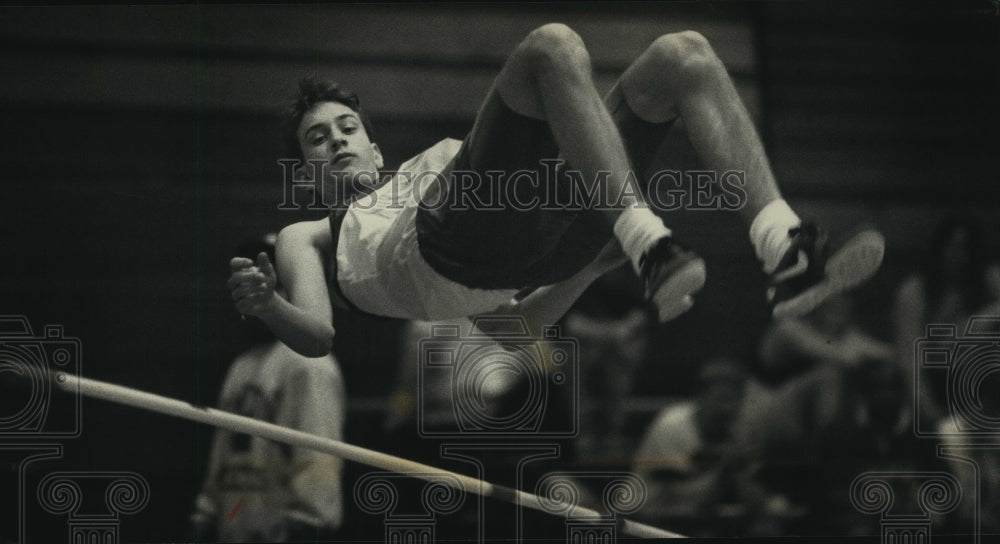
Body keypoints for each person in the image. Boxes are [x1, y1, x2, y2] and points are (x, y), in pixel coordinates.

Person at [228, 25, 885, 357]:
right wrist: (267, 308)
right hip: (440, 247)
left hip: (545, 245)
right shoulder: (310, 234)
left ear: (374, 142)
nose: (338, 140)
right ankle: (645, 238)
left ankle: (785, 249)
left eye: (348, 127)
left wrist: (591, 266)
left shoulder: (430, 170)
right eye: (318, 139)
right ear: (307, 172)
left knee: (682, 55)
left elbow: (513, 327)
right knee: (550, 47)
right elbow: (316, 337)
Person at [191, 235, 346, 542]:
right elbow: (221, 454)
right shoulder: (243, 365)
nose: (259, 286)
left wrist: (306, 523)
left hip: (284, 534)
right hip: (235, 528)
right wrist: (205, 515)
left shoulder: (310, 365)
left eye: (272, 277)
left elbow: (318, 457)